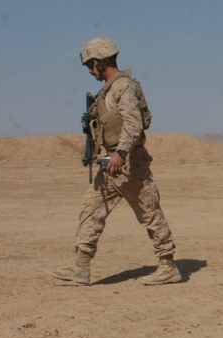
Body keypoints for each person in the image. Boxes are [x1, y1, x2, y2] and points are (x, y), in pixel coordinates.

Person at [50, 37, 181, 286]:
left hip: (129, 162)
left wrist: (121, 153)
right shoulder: (108, 90)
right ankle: (80, 267)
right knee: (91, 209)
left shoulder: (123, 87)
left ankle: (168, 265)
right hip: (111, 162)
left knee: (149, 211)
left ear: (104, 61)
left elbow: (134, 124)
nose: (90, 70)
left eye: (92, 64)